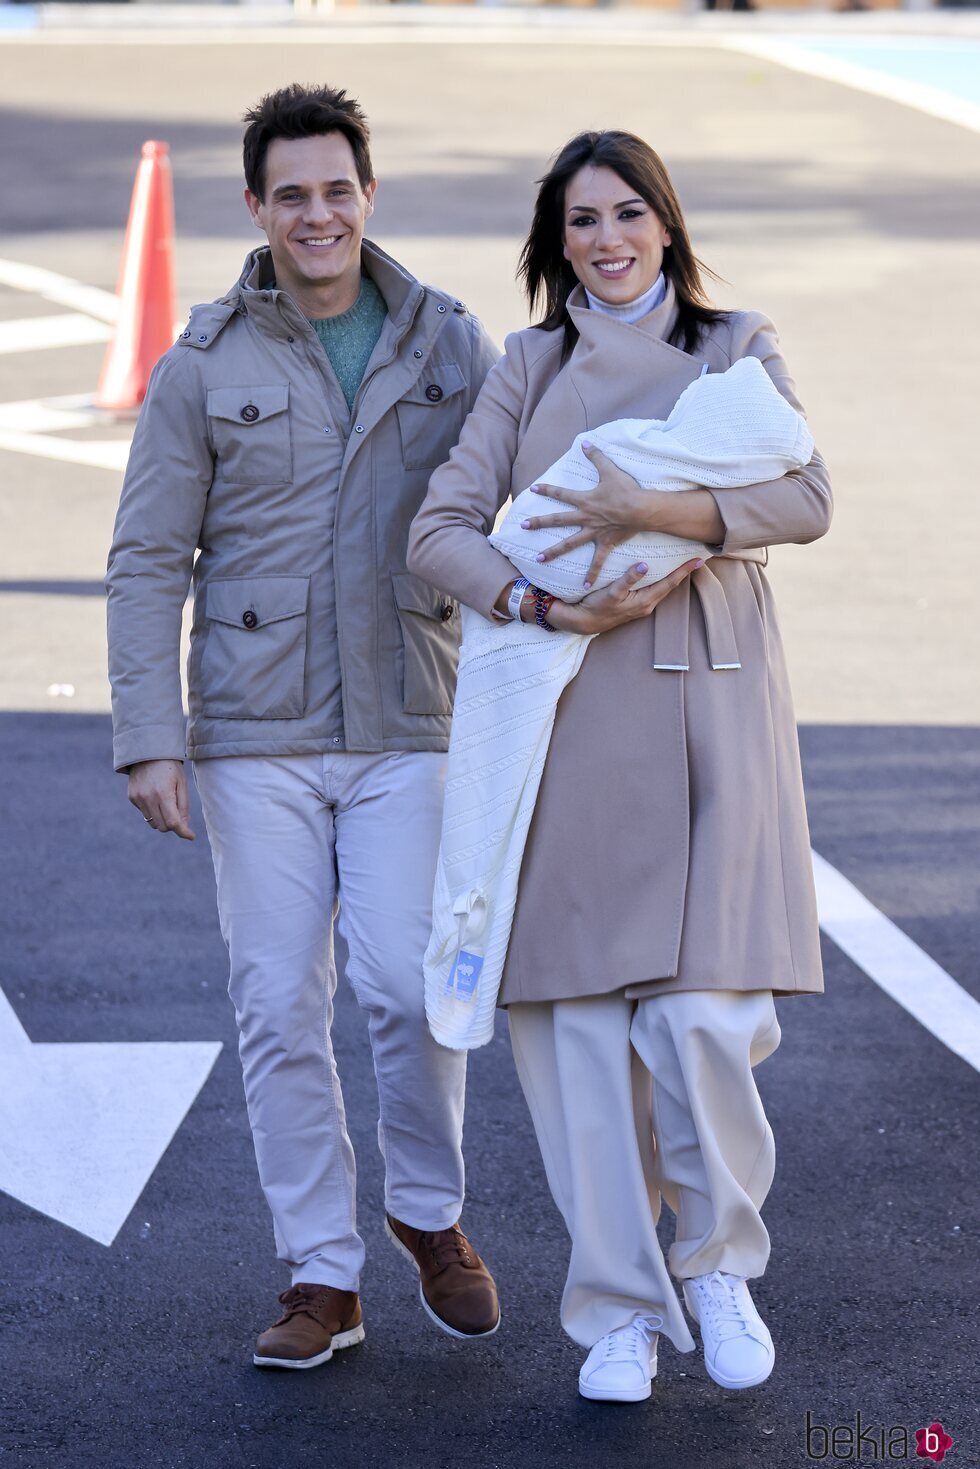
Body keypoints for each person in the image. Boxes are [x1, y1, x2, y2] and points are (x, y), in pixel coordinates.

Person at [408, 129, 832, 1403]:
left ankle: (712, 1263)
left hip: (713, 709)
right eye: (580, 221)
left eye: (627, 213)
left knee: (704, 1013)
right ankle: (615, 1311)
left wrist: (657, 509)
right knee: (578, 1035)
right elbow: (437, 531)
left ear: (667, 223)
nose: (606, 239)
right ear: (556, 242)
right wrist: (538, 607)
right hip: (573, 717)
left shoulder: (733, 343)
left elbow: (806, 496)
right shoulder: (528, 364)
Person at [105, 83, 502, 1371]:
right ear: (256, 207)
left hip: (408, 719)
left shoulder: (450, 344)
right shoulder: (205, 357)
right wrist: (147, 733)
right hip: (252, 736)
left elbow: (511, 516)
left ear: (367, 193)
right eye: (292, 194)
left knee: (406, 986)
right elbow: (147, 556)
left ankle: (426, 1214)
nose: (316, 213)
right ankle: (322, 1272)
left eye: (337, 189)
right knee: (279, 1001)